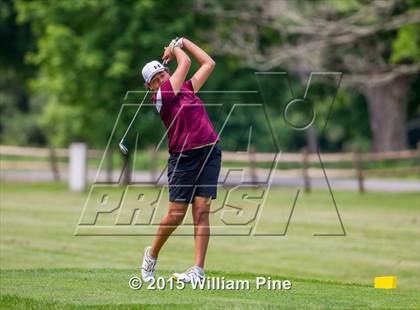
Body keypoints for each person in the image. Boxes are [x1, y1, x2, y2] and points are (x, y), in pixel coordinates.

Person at [140, 37, 221, 283]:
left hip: (209, 151)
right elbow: (184, 62)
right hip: (183, 158)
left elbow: (208, 63)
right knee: (176, 214)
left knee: (202, 211)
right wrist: (176, 49)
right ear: (151, 88)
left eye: (162, 74)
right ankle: (151, 256)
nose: (162, 79)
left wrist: (185, 41)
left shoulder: (186, 88)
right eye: (156, 79)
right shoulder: (161, 98)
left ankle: (198, 270)